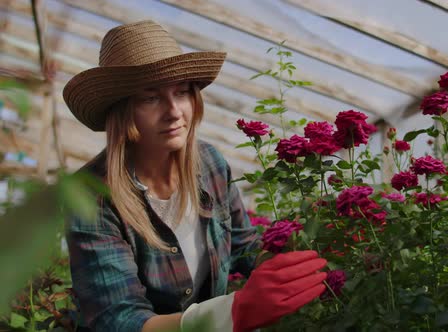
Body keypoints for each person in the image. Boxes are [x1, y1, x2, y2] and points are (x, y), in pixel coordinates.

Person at [63, 20, 327, 332]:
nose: (174, 111)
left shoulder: (210, 163)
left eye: (182, 91)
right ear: (123, 111)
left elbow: (244, 246)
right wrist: (234, 311)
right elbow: (119, 320)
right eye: (151, 97)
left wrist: (305, 253)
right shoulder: (90, 195)